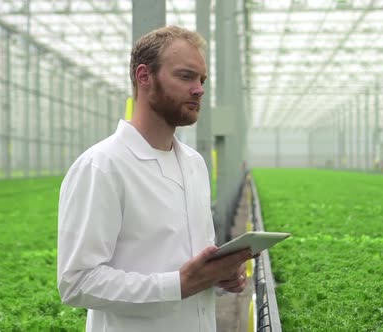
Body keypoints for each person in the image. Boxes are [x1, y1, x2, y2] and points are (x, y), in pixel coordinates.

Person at [57, 26, 252, 331]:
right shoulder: (103, 166)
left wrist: (216, 277)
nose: (199, 89)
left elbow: (187, 265)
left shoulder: (194, 164)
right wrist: (177, 285)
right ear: (144, 76)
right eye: (186, 76)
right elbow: (76, 282)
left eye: (202, 80)